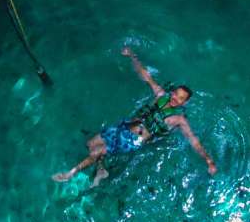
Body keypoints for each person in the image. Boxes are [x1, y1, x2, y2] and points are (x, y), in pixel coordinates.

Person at [52, 47, 217, 183]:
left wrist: (208, 160)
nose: (176, 99)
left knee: (97, 151)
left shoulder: (179, 119)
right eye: (176, 94)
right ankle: (102, 170)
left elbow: (194, 140)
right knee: (90, 144)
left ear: (184, 103)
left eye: (181, 99)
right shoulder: (160, 95)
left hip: (134, 140)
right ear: (172, 92)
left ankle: (69, 174)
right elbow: (146, 75)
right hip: (124, 126)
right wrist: (132, 56)